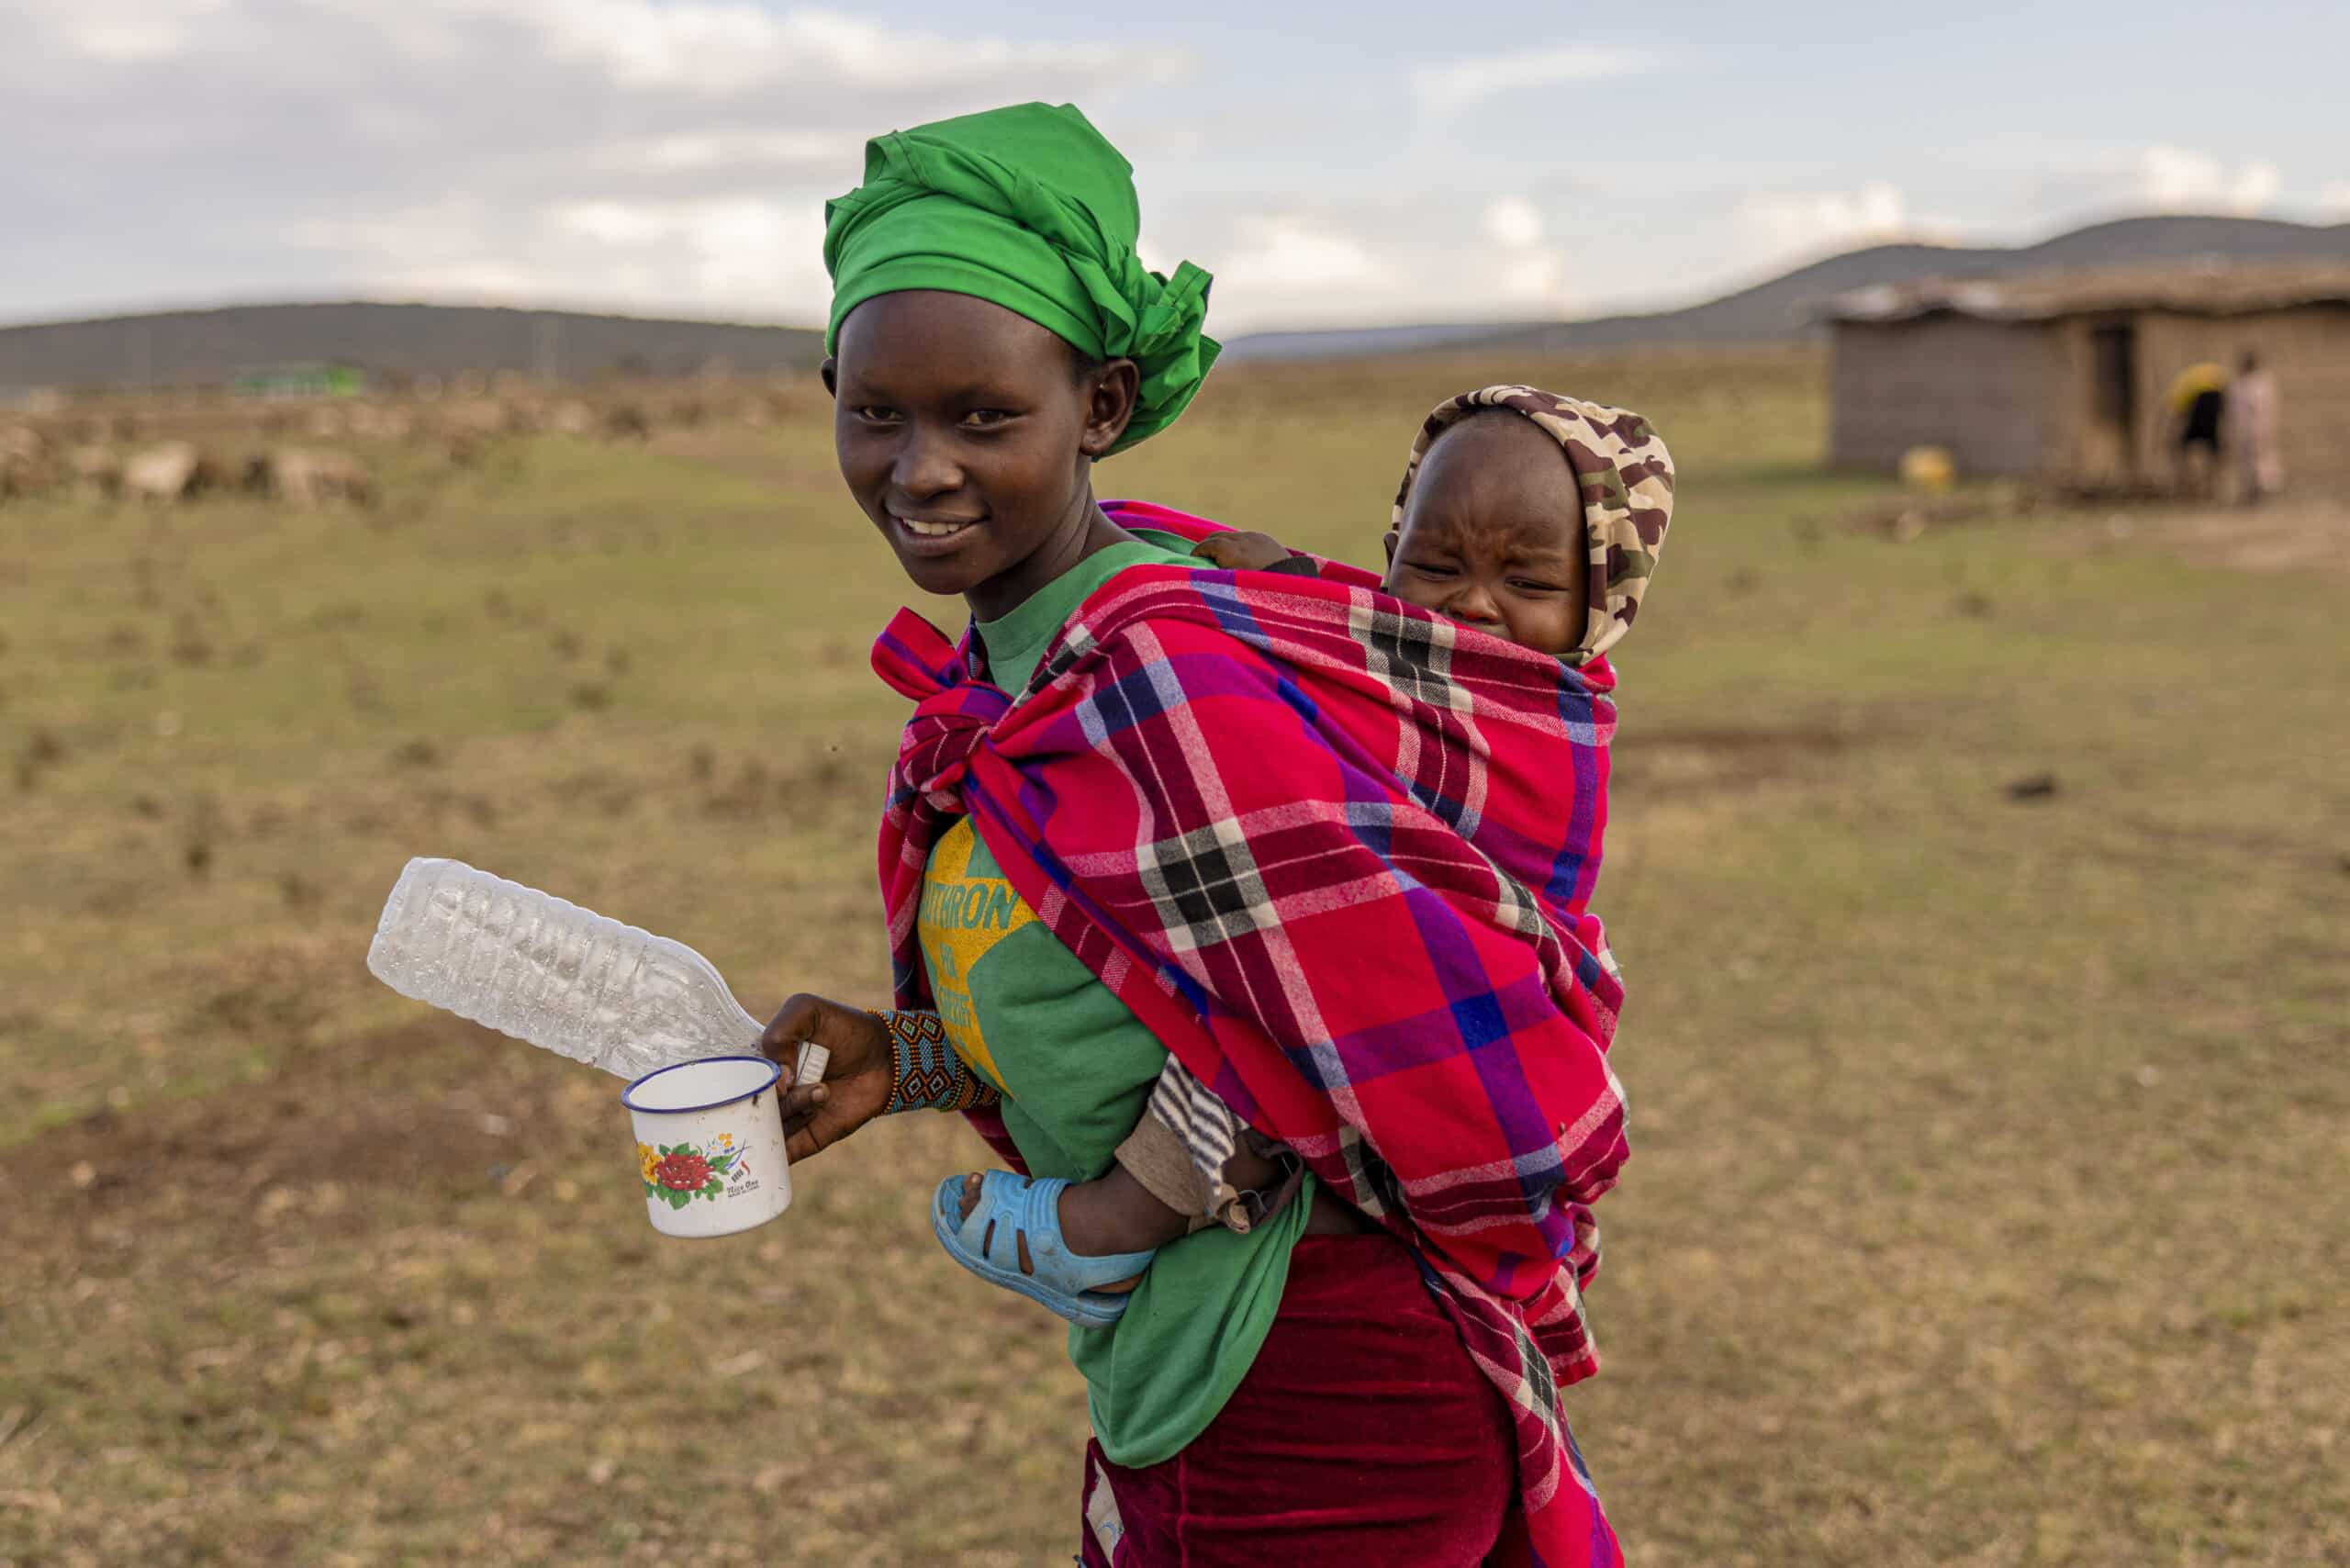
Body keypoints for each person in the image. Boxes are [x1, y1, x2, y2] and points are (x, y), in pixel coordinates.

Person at [759, 102, 1647, 1567]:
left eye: (985, 418)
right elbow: (1153, 1001)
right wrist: (899, 1057)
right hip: (1195, 1375)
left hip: (1319, 1381)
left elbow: (1381, 1045)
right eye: (877, 413)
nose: (920, 469)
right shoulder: (1011, 684)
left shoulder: (1160, 676)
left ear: (1099, 407)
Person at [931, 385, 1674, 1313]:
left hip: (1437, 988)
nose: (1474, 608)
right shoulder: (1368, 647)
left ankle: (1110, 1228)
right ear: (1394, 550)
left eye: (1526, 584)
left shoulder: (1544, 719)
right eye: (1435, 564)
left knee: (1268, 1055)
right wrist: (1285, 574)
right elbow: (1346, 625)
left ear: (1602, 602)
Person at [2228, 351, 2283, 504]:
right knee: (2245, 463)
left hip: (2257, 429)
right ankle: (2248, 493)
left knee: (2261, 463)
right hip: (2244, 430)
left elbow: (2263, 410)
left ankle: (2261, 493)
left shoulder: (2260, 385)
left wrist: (2264, 429)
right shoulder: (2240, 384)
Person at [2167, 360, 2227, 499]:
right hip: (2212, 419)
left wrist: (2172, 438)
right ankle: (2211, 489)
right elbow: (2225, 409)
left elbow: (2176, 412)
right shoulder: (2218, 376)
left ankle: (2187, 488)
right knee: (2213, 454)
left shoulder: (2184, 381)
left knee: (2183, 451)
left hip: (2196, 419)